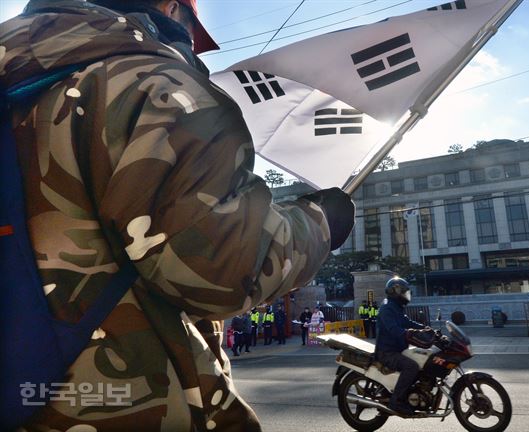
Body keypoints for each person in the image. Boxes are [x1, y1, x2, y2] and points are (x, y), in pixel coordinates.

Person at [0, 0, 355, 429]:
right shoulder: (154, 85)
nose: (196, 51)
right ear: (170, 9)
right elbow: (221, 267)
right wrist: (319, 223)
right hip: (112, 407)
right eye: (191, 31)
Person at [375, 277, 427, 415]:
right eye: (403, 292)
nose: (406, 295)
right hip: (387, 352)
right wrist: (410, 334)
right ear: (395, 292)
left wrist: (424, 328)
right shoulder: (387, 309)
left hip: (398, 349)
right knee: (411, 366)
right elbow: (394, 329)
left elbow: (406, 322)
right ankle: (396, 402)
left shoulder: (396, 307)